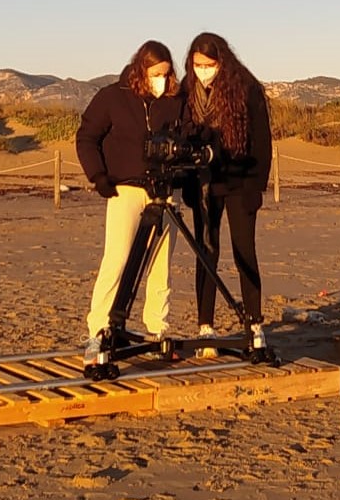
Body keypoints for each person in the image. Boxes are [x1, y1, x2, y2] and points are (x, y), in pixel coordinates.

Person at [75, 40, 184, 364]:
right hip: (125, 191)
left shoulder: (175, 101)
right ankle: (99, 330)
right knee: (118, 260)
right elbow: (87, 137)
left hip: (165, 192)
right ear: (141, 69)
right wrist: (98, 176)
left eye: (166, 74)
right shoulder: (112, 97)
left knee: (160, 265)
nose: (161, 80)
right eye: (156, 74)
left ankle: (158, 330)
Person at [180, 32, 273, 349]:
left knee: (244, 250)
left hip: (240, 182)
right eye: (197, 65)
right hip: (204, 183)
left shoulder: (246, 88)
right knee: (206, 252)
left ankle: (254, 321)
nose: (203, 71)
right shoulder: (187, 90)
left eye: (209, 65)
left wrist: (256, 187)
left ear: (222, 62)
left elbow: (262, 142)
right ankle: (205, 325)